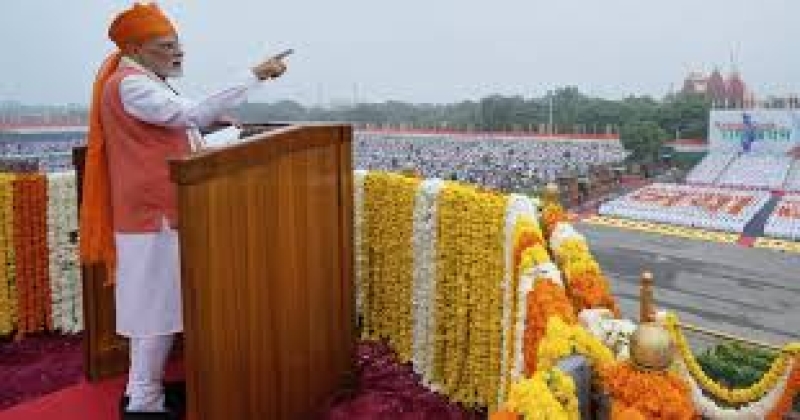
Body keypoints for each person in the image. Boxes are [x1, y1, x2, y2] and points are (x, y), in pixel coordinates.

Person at [79, 3, 288, 419]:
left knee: (155, 308)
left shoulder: (146, 81)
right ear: (135, 49)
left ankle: (145, 395)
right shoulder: (130, 85)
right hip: (151, 217)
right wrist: (254, 75)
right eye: (166, 46)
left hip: (158, 214)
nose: (178, 53)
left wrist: (227, 136)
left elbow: (183, 134)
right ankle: (144, 402)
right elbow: (190, 115)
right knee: (154, 312)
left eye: (178, 45)